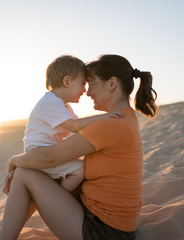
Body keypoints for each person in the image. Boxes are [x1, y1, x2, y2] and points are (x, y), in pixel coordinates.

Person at [0, 54, 158, 240]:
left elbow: (49, 158)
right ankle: (9, 230)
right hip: (108, 221)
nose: (88, 92)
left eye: (91, 84)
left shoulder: (110, 124)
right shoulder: (126, 117)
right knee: (33, 171)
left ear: (112, 84)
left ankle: (6, 236)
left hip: (102, 232)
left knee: (24, 172)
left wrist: (13, 161)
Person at [23, 55, 123, 192]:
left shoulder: (62, 104)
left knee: (80, 164)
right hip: (40, 153)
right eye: (83, 83)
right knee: (80, 170)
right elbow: (75, 126)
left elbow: (79, 125)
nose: (84, 90)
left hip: (49, 151)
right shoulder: (50, 102)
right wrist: (105, 117)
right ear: (67, 81)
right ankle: (57, 197)